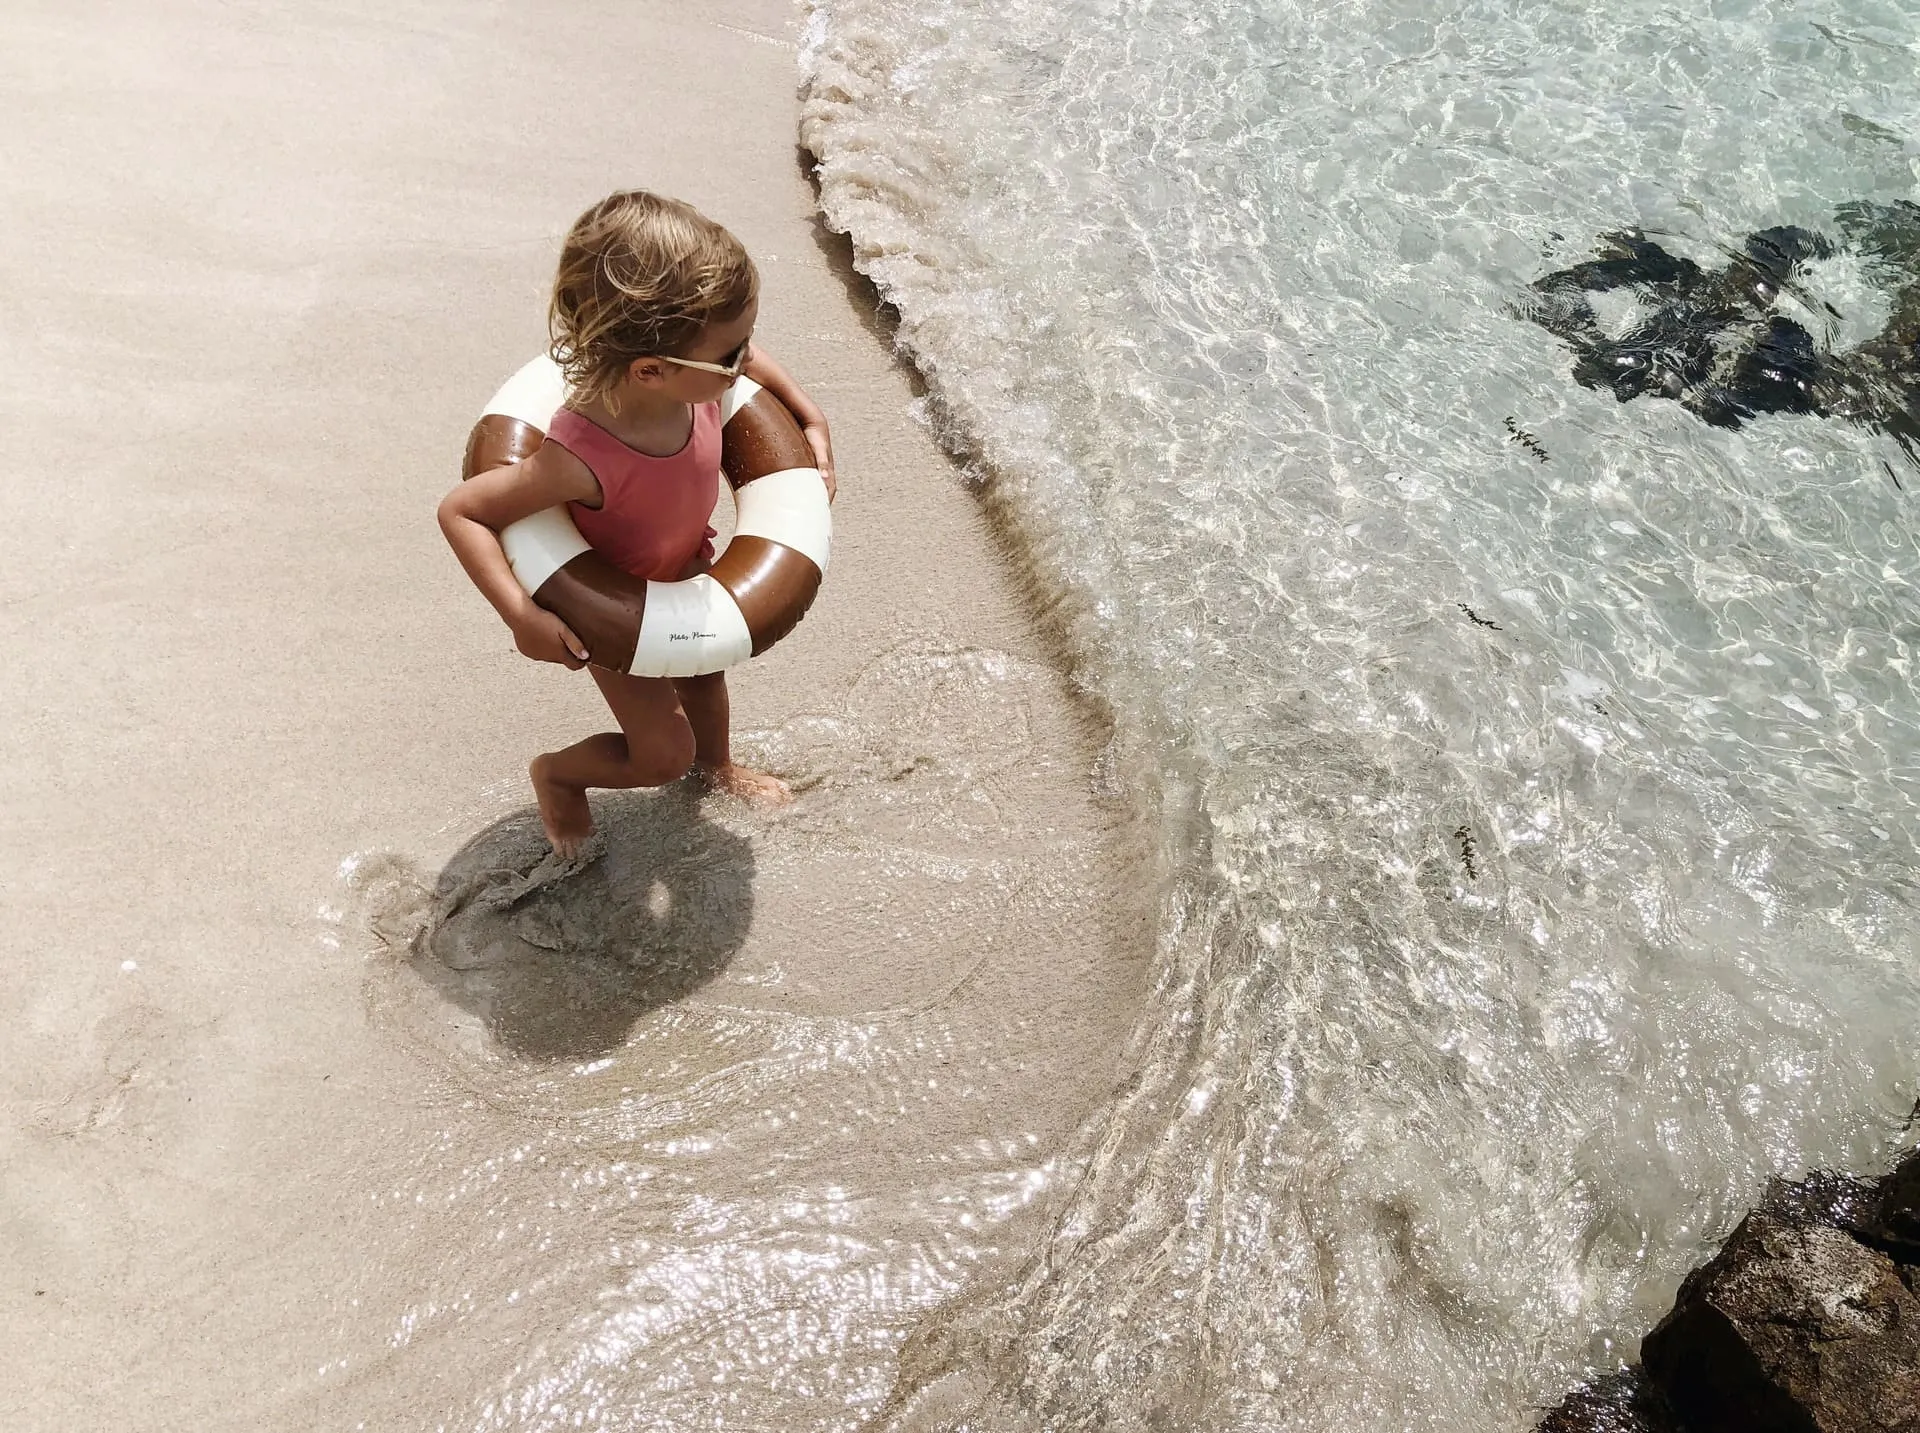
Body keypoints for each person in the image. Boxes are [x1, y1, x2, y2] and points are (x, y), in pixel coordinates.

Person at [439, 191, 836, 857]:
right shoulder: (581, 455)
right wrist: (520, 616)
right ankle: (560, 776)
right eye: (732, 355)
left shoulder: (701, 378)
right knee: (660, 755)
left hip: (684, 564)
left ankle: (718, 768)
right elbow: (462, 511)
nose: (748, 364)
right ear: (651, 369)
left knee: (706, 679)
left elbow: (753, 362)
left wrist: (806, 411)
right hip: (613, 606)